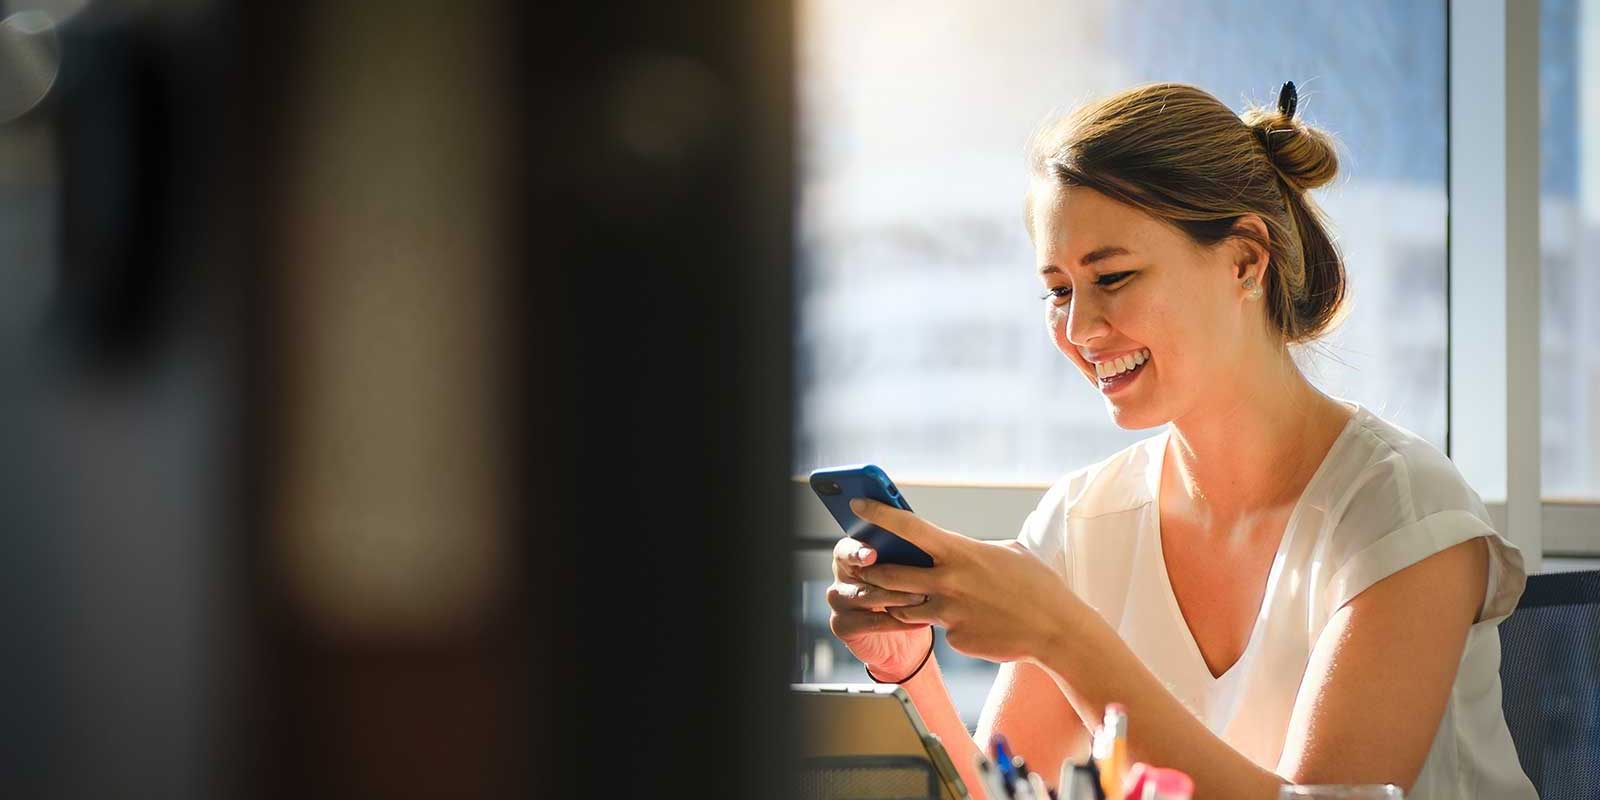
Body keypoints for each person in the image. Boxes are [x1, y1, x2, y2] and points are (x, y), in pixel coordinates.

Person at [826, 81, 1537, 800]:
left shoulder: (1403, 511)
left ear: (1244, 261)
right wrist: (908, 667)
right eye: (1060, 290)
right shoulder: (1085, 521)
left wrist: (1064, 635)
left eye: (1113, 277)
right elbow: (998, 792)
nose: (1079, 331)